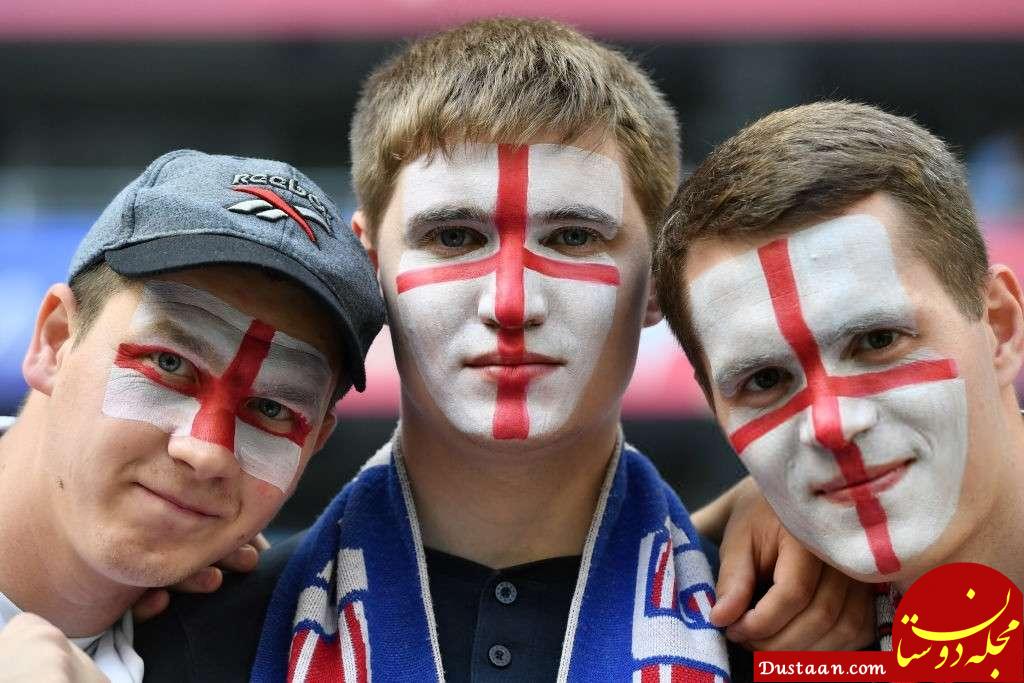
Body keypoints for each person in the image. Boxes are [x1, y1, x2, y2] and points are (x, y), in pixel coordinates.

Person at [138, 22, 870, 683]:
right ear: (370, 273)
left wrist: (811, 509)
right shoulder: (181, 629)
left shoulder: (817, 633)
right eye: (454, 236)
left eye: (574, 236)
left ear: (659, 284)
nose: (511, 302)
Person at [0, 149, 384, 681]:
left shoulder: (239, 642)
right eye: (169, 363)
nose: (206, 451)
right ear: (56, 342)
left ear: (312, 447)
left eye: (272, 409)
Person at [653, 100, 1024, 649]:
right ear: (716, 413)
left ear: (999, 325)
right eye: (764, 381)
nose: (829, 425)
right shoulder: (702, 636)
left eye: (877, 341)